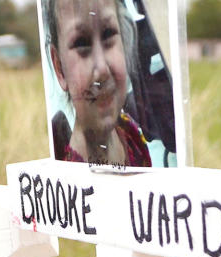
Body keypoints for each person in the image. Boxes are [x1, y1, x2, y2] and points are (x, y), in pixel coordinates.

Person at [47, 0, 152, 167]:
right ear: (60, 68)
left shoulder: (131, 135)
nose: (102, 69)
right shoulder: (65, 174)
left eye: (108, 34)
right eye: (81, 43)